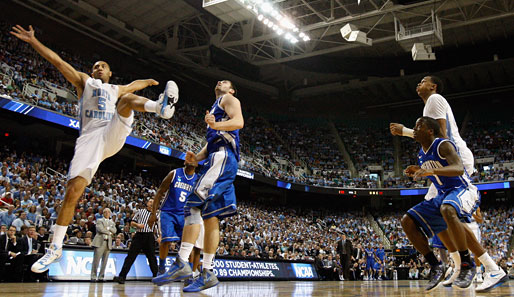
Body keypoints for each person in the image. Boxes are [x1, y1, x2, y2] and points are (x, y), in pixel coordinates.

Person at [10, 25, 179, 274]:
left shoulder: (116, 89)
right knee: (73, 190)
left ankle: (161, 108)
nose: (97, 68)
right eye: (95, 66)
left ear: (110, 73)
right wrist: (33, 41)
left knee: (126, 101)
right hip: (90, 138)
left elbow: (134, 84)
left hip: (111, 131)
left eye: (102, 66)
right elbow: (57, 61)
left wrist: (149, 82)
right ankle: (55, 247)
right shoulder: (84, 82)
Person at [390, 75, 504, 290]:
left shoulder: (434, 99)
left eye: (423, 81)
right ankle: (459, 265)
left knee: (450, 210)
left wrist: (405, 131)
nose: (418, 83)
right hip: (441, 162)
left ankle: (486, 267)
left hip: (454, 157)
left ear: (432, 86)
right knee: (435, 212)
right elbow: (429, 134)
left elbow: (440, 135)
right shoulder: (427, 112)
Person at [152, 80, 244, 292]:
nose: (219, 81)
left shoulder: (228, 99)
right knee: (211, 217)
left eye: (225, 81)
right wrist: (197, 157)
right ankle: (208, 271)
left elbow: (238, 122)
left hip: (222, 159)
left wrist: (215, 125)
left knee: (191, 204)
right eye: (219, 80)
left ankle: (181, 262)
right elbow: (212, 143)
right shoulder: (214, 109)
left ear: (231, 90)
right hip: (219, 158)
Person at [147, 161, 202, 276]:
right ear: (185, 162)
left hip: (185, 214)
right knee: (166, 240)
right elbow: (160, 192)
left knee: (188, 244)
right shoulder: (174, 174)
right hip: (168, 211)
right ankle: (161, 268)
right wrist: (153, 213)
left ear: (197, 164)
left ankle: (189, 273)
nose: (191, 161)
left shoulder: (197, 180)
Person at [113, 199, 159, 284]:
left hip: (149, 236)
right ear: (147, 203)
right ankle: (122, 276)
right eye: (150, 201)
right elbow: (132, 223)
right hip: (139, 235)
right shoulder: (140, 211)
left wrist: (159, 237)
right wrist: (137, 225)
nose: (151, 203)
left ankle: (156, 276)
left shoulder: (157, 214)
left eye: (153, 202)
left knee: (152, 258)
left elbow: (159, 226)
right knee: (130, 256)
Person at [91, 208, 116, 282]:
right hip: (100, 242)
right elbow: (100, 229)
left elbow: (115, 230)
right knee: (96, 260)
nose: (107, 213)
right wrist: (109, 232)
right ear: (103, 213)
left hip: (108, 243)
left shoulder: (112, 222)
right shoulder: (99, 220)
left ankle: (101, 277)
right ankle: (93, 276)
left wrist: (108, 228)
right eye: (105, 212)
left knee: (104, 261)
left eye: (108, 212)